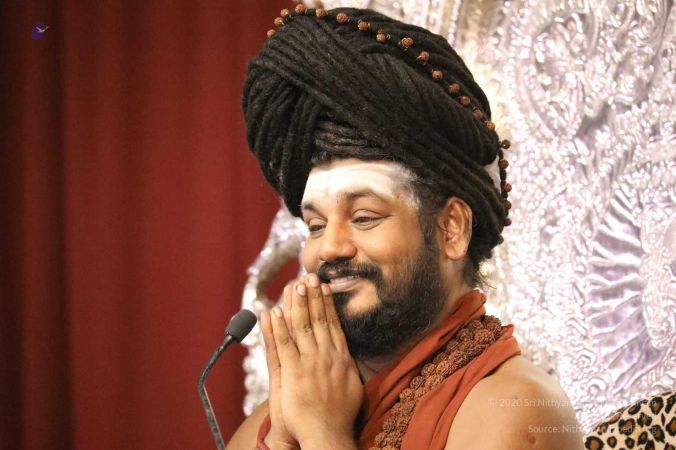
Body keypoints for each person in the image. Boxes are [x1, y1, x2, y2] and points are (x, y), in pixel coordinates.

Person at [228, 6, 582, 450]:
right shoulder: (277, 418)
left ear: (451, 230)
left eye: (364, 217)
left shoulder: (519, 410)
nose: (328, 248)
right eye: (315, 225)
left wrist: (322, 434)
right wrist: (284, 436)